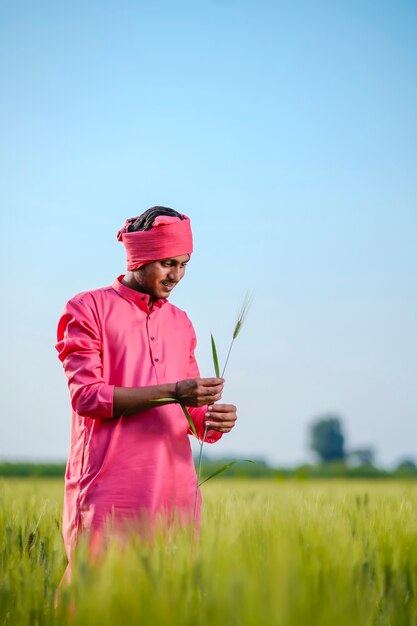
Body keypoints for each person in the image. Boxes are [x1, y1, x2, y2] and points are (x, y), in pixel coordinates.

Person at [56, 206, 237, 573]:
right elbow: (88, 397)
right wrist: (174, 392)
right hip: (109, 490)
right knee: (95, 601)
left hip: (175, 492)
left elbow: (192, 414)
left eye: (184, 264)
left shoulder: (181, 322)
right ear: (139, 258)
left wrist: (213, 419)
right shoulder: (87, 308)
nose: (177, 275)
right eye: (168, 263)